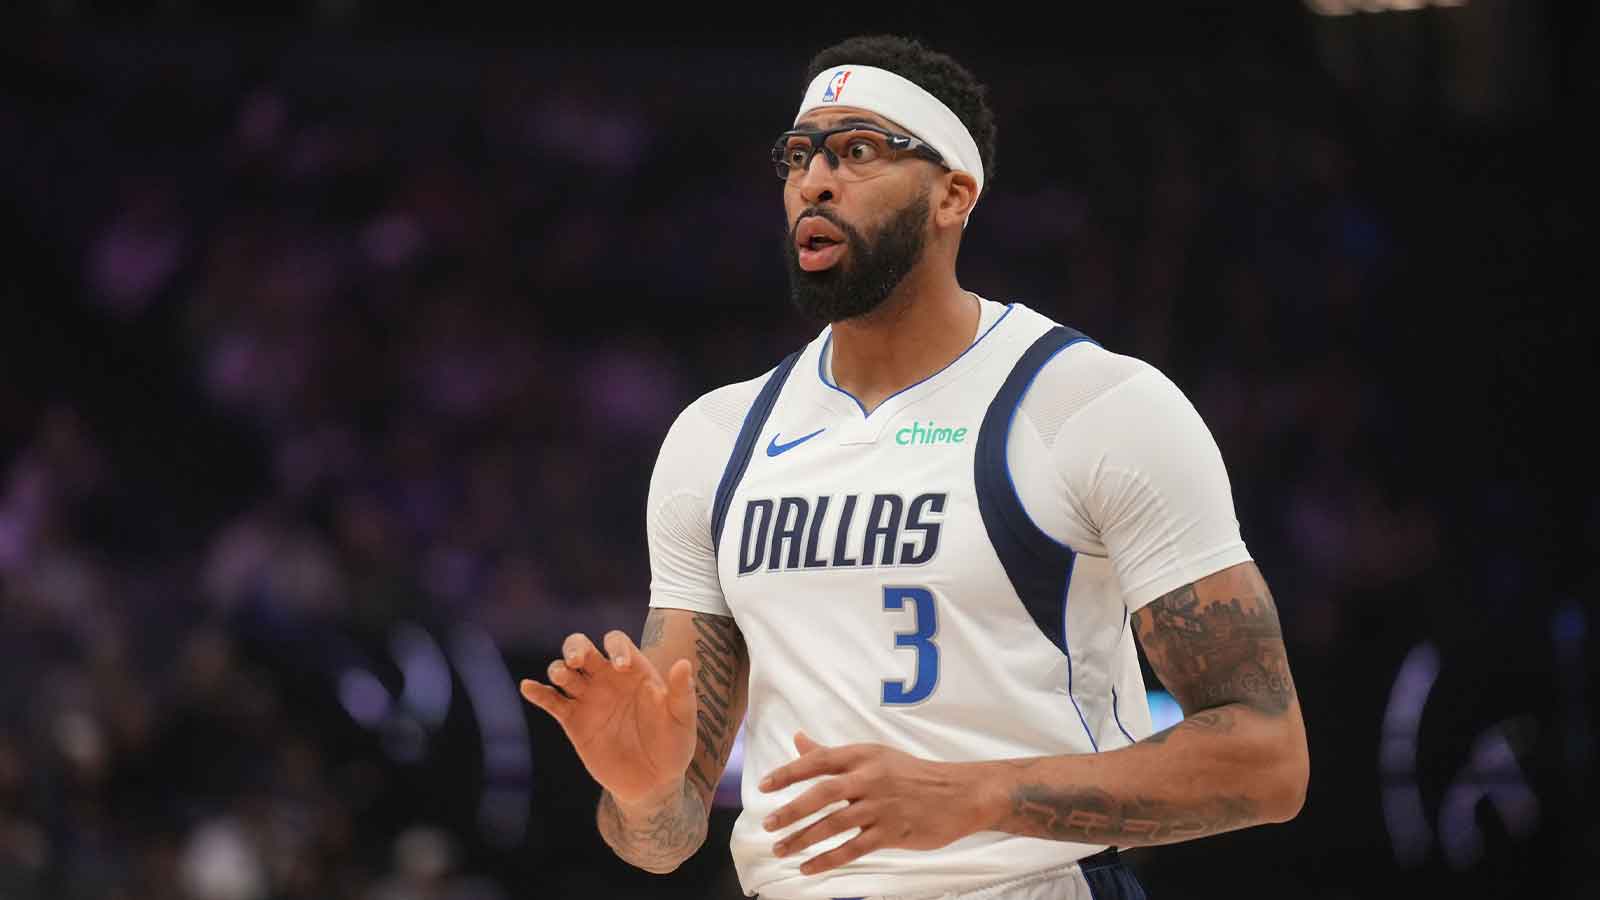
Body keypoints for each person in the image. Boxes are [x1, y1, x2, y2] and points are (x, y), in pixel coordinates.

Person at [520, 34, 1309, 900]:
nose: (814, 181)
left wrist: (972, 796)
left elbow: (1267, 760)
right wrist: (639, 795)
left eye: (858, 150)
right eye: (797, 155)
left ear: (952, 196)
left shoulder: (1095, 405)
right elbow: (663, 841)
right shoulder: (716, 436)